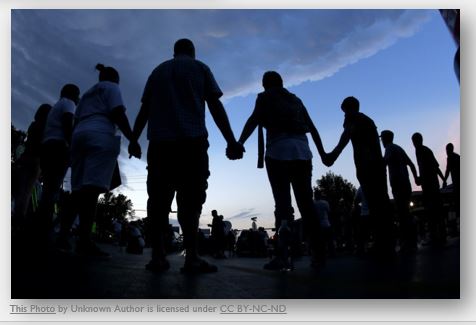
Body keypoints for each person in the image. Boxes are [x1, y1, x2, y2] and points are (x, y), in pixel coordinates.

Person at [129, 38, 243, 273]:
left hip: (160, 145)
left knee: (158, 201)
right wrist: (231, 140)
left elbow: (144, 110)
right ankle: (192, 258)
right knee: (191, 202)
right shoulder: (200, 68)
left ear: (174, 52)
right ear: (192, 51)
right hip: (192, 144)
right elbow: (215, 106)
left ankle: (158, 257)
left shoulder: (157, 71)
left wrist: (133, 140)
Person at [237, 71, 327, 270]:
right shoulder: (296, 100)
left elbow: (253, 120)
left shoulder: (265, 97)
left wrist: (240, 142)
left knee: (282, 205)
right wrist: (323, 153)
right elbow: (312, 128)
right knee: (306, 204)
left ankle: (282, 255)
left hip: (278, 152)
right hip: (302, 152)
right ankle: (319, 254)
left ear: (264, 84)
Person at [70, 63, 138, 256]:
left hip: (79, 136)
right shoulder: (112, 87)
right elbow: (118, 113)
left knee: (77, 190)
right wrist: (133, 139)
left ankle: (63, 235)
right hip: (98, 135)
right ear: (115, 79)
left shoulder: (86, 95)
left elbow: (75, 120)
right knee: (91, 191)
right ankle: (84, 241)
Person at [324, 96, 395, 258]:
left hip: (367, 165)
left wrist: (333, 155)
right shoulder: (368, 120)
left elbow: (346, 135)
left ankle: (382, 245)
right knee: (381, 203)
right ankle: (386, 243)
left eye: (344, 112)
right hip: (376, 166)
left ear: (349, 109)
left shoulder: (354, 118)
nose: (343, 116)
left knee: (375, 205)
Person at [37, 84, 80, 244]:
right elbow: (68, 121)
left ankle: (40, 226)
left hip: (47, 147)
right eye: (77, 95)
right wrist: (71, 144)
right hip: (58, 147)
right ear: (73, 94)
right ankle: (44, 228)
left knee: (48, 189)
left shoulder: (57, 106)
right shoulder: (69, 103)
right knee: (52, 189)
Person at [12, 104, 52, 229]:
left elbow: (29, 144)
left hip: (26, 158)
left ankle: (17, 215)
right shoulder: (46, 129)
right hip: (35, 160)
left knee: (19, 189)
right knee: (26, 191)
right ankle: (19, 218)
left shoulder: (33, 125)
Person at [380, 130, 419, 253]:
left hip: (398, 184)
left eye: (382, 139)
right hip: (406, 184)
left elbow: (383, 163)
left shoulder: (390, 148)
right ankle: (412, 240)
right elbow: (412, 164)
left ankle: (406, 242)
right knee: (406, 212)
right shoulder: (399, 149)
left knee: (402, 214)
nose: (381, 141)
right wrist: (416, 178)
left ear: (385, 139)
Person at [411, 132, 447, 246]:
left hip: (430, 185)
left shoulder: (422, 151)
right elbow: (433, 167)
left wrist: (420, 179)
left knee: (432, 210)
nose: (414, 143)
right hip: (430, 185)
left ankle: (436, 235)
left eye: (414, 141)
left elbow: (432, 168)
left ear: (417, 141)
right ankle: (439, 235)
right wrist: (443, 179)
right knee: (434, 209)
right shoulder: (423, 150)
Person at [444, 142, 460, 221]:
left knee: (457, 201)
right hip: (457, 182)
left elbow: (447, 170)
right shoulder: (457, 157)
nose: (446, 152)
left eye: (447, 150)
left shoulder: (450, 157)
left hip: (457, 182)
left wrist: (444, 181)